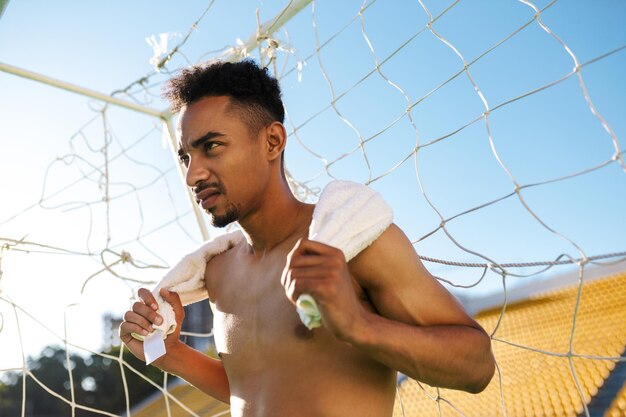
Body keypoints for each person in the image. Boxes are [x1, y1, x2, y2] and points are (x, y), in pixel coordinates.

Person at [119, 59, 495, 417]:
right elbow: (253, 388)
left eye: (212, 146)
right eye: (185, 157)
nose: (192, 176)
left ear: (272, 141)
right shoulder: (218, 273)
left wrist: (357, 326)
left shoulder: (348, 245)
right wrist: (173, 355)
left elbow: (477, 367)